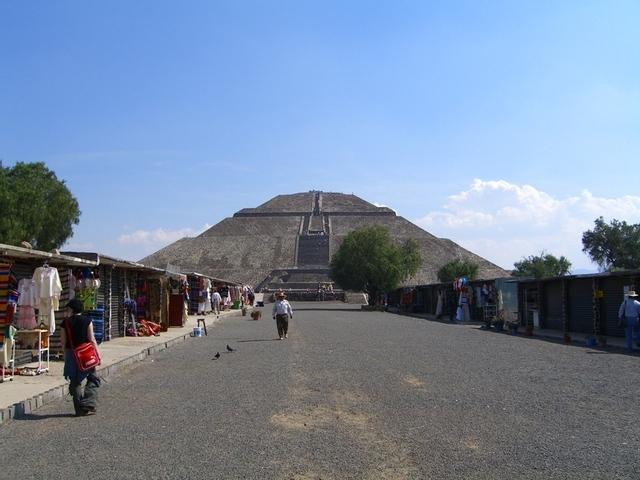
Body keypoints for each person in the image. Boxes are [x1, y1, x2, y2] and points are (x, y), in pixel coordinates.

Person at [60, 298, 100, 416]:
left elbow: (63, 341)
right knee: (93, 378)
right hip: (85, 354)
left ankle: (79, 409)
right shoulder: (87, 320)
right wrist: (97, 354)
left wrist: (65, 355)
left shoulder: (65, 323)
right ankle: (89, 403)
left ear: (72, 309)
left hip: (71, 353)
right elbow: (91, 339)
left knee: (75, 381)